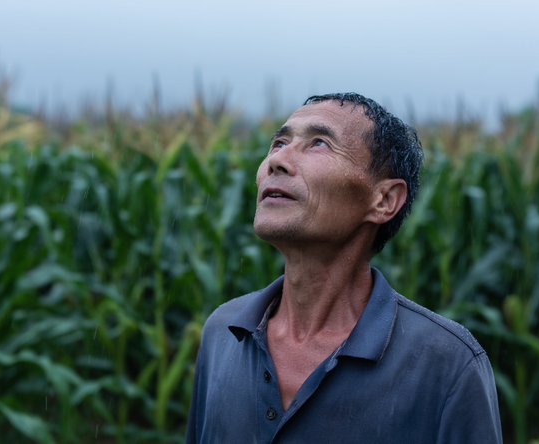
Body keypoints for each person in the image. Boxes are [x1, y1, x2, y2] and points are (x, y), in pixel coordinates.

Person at [186, 93, 502, 444]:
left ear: (383, 200)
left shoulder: (447, 365)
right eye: (278, 142)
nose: (277, 160)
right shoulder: (221, 334)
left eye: (318, 143)